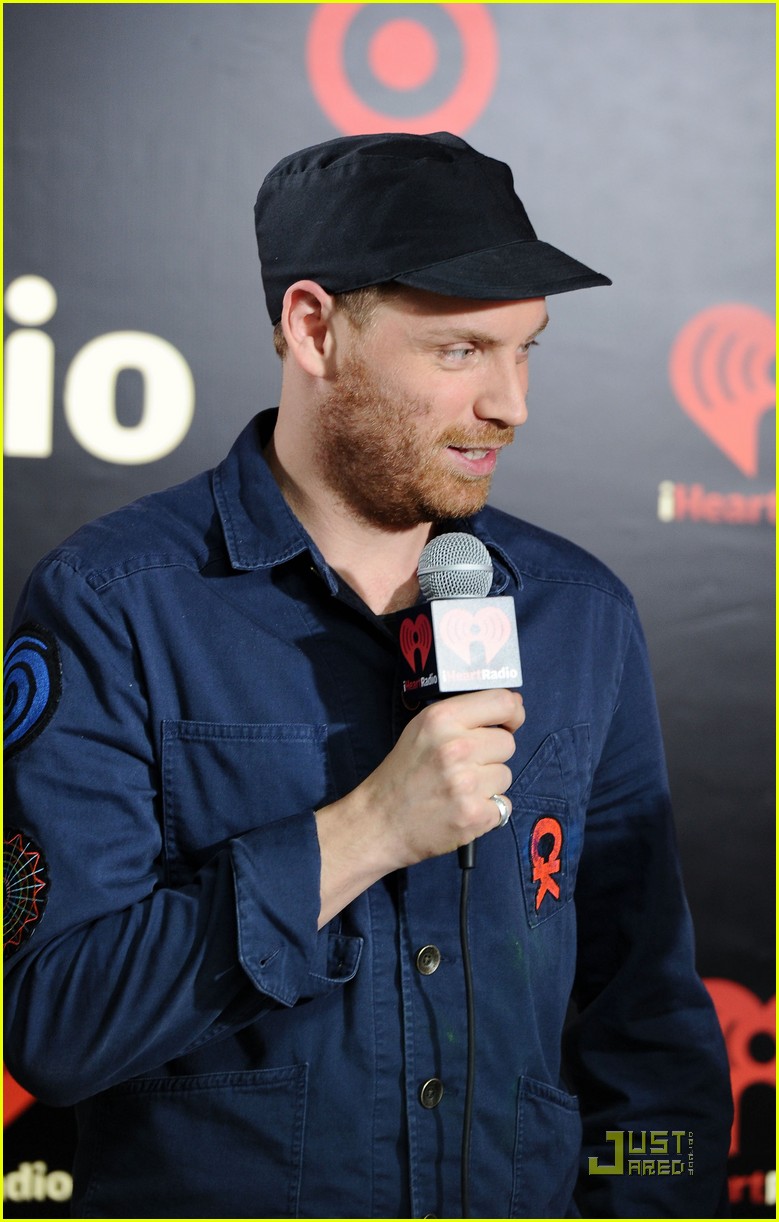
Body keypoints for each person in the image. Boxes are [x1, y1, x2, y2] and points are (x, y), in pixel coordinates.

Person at [4, 132, 732, 1219]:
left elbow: (650, 1028)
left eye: (525, 350)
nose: (510, 403)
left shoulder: (580, 614)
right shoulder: (114, 603)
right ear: (313, 329)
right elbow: (57, 1024)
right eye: (460, 351)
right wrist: (365, 833)